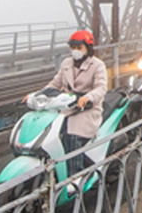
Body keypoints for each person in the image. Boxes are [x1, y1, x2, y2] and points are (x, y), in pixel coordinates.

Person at [39, 29, 107, 180]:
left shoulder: (97, 65)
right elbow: (55, 84)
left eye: (79, 48)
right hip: (67, 108)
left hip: (87, 110)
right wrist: (38, 94)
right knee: (50, 133)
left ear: (88, 48)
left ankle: (76, 176)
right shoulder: (66, 64)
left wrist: (88, 97)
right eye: (73, 48)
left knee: (72, 135)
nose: (75, 51)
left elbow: (101, 88)